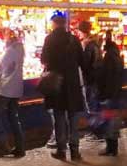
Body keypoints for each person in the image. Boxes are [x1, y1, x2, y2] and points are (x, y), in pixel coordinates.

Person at [41, 14, 85, 161]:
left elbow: (44, 59)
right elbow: (82, 61)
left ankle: (61, 150)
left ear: (54, 24)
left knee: (59, 117)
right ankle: (75, 151)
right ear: (64, 24)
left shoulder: (49, 39)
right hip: (72, 84)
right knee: (73, 118)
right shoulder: (74, 39)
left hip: (57, 84)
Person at [0, 27, 25, 158]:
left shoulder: (10, 51)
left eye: (4, 35)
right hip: (17, 88)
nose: (3, 37)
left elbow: (0, 69)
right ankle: (20, 147)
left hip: (6, 88)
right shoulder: (20, 48)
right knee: (13, 117)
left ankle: (4, 146)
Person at [96, 30, 123, 157]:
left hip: (109, 94)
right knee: (112, 121)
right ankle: (113, 148)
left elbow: (105, 77)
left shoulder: (108, 58)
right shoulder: (117, 56)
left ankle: (110, 148)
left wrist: (103, 93)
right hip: (115, 94)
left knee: (109, 121)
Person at [78, 21, 102, 138]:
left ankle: (95, 132)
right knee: (94, 105)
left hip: (89, 80)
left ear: (82, 31)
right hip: (96, 79)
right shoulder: (95, 43)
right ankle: (97, 131)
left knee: (91, 106)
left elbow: (85, 64)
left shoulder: (87, 45)